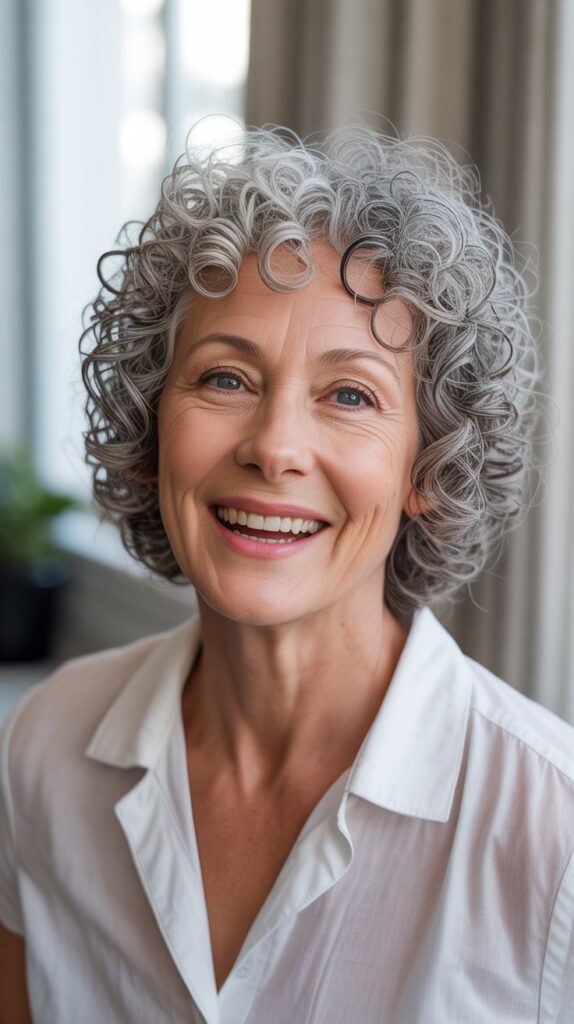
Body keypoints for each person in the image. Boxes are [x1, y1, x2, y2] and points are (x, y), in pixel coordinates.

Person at [0, 124, 573, 1024]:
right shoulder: (44, 751)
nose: (273, 447)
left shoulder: (552, 834)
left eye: (351, 396)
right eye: (226, 379)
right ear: (155, 433)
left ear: (429, 469)